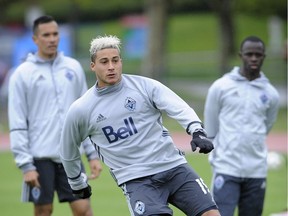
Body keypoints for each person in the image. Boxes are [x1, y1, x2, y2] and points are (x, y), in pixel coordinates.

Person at [60, 35, 221, 216]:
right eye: (104, 62)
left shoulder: (144, 86)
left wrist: (197, 131)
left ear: (121, 61)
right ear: (93, 66)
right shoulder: (82, 109)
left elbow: (179, 107)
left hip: (174, 167)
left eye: (115, 60)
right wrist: (77, 183)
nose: (111, 66)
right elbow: (68, 149)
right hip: (137, 181)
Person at [8, 15, 102, 216]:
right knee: (44, 210)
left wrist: (92, 154)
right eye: (46, 35)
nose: (52, 39)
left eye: (55, 34)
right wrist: (26, 165)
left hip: (70, 155)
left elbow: (84, 115)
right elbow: (17, 122)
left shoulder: (73, 67)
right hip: (39, 158)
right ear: (35, 39)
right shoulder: (22, 74)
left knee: (84, 210)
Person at [204, 36, 280, 216]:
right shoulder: (221, 87)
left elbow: (266, 126)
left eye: (258, 54)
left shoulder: (271, 94)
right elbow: (211, 126)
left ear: (263, 57)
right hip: (226, 168)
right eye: (249, 54)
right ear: (241, 55)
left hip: (256, 171)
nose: (253, 58)